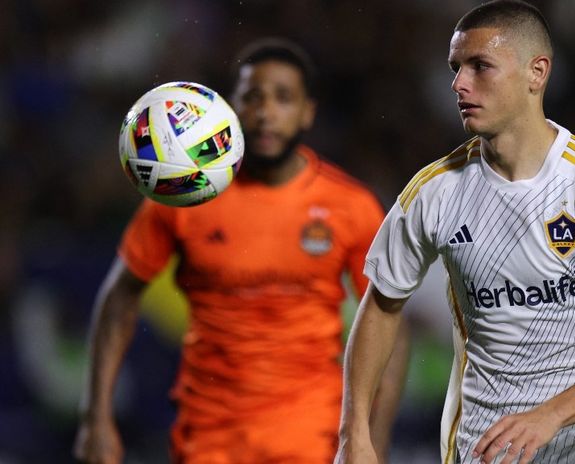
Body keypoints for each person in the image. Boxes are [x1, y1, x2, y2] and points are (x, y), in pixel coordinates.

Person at [336, 1, 575, 463]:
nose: (459, 83)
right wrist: (354, 432)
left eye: (480, 66)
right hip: (491, 438)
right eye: (456, 68)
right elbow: (381, 305)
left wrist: (550, 415)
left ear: (537, 73)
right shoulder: (434, 193)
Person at [73, 38, 409, 464]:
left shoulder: (350, 206)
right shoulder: (184, 197)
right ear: (230, 109)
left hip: (314, 436)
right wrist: (96, 417)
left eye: (283, 98)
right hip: (209, 437)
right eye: (253, 97)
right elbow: (120, 297)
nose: (266, 112)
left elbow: (389, 324)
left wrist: (373, 438)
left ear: (307, 112)